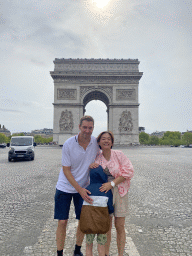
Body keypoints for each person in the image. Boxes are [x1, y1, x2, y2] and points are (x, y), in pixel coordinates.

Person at [54, 116, 99, 256]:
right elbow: (66, 169)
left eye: (90, 128)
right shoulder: (68, 144)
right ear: (79, 126)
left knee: (83, 221)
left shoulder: (96, 143)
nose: (87, 130)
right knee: (62, 222)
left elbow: (106, 154)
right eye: (84, 127)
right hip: (65, 187)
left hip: (84, 187)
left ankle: (77, 250)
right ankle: (59, 253)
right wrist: (79, 189)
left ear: (93, 128)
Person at [90, 131, 134, 256]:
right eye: (103, 138)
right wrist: (91, 166)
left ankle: (120, 254)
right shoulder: (96, 157)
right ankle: (106, 254)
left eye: (109, 139)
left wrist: (112, 184)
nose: (106, 141)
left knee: (120, 226)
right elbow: (93, 176)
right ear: (98, 142)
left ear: (112, 142)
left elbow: (129, 171)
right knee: (106, 227)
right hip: (104, 194)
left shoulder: (119, 154)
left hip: (120, 192)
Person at [79, 165, 114, 256]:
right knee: (101, 247)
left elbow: (81, 206)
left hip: (89, 224)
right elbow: (110, 207)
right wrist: (110, 211)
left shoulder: (86, 189)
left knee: (88, 246)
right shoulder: (105, 190)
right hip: (102, 224)